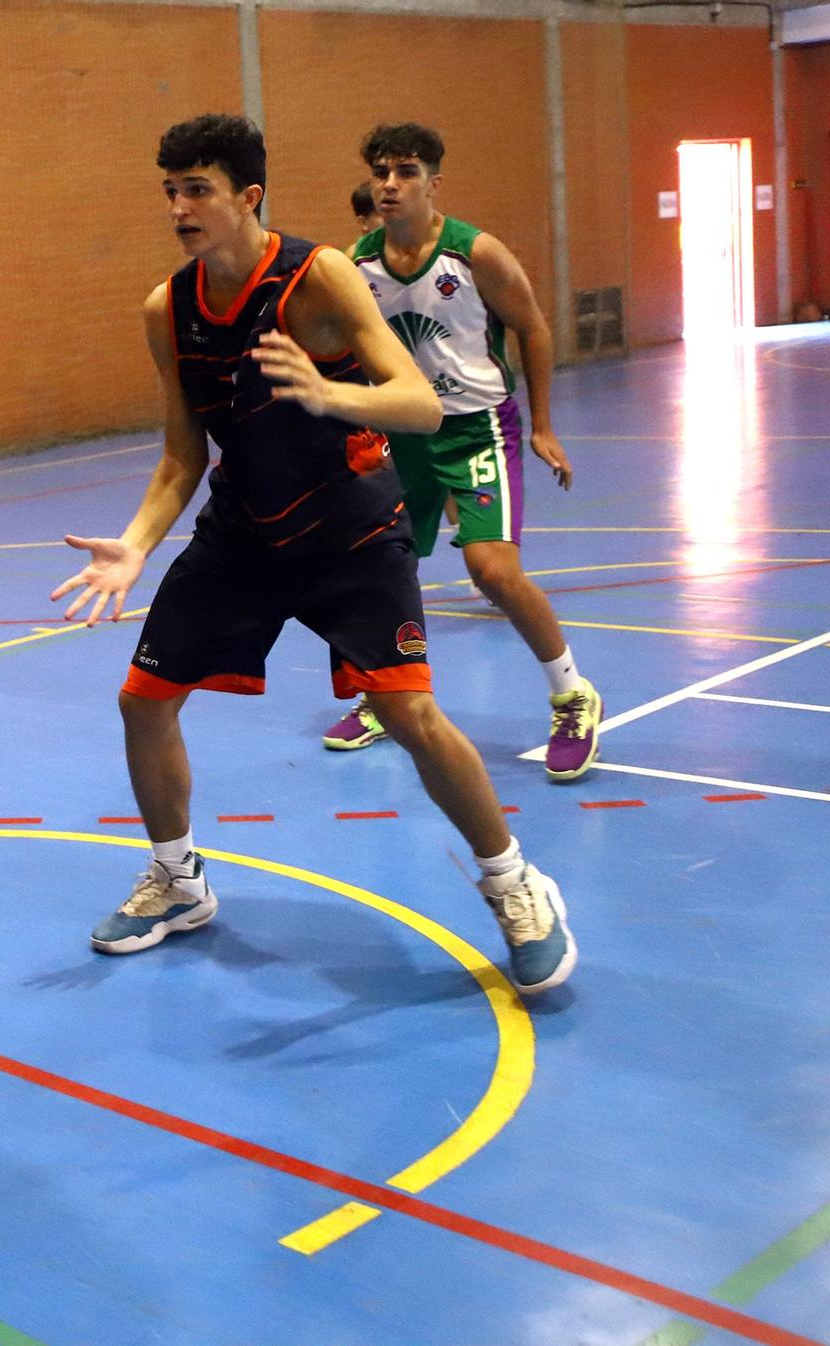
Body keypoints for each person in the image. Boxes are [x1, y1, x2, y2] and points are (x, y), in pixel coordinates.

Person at [52, 113, 575, 996]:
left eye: (198, 190)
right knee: (142, 701)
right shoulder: (167, 308)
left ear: (247, 195)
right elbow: (184, 455)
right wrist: (135, 546)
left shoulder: (318, 273)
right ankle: (178, 882)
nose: (179, 207)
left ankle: (514, 881)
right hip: (244, 534)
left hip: (351, 533)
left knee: (410, 716)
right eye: (170, 191)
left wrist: (329, 392)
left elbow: (418, 403)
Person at [323, 123, 602, 780]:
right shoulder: (351, 264)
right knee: (378, 572)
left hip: (477, 427)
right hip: (400, 438)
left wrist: (543, 425)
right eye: (381, 173)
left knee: (493, 572)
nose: (390, 184)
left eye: (406, 172)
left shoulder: (476, 254)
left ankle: (572, 694)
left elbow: (532, 327)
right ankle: (383, 695)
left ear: (433, 182)